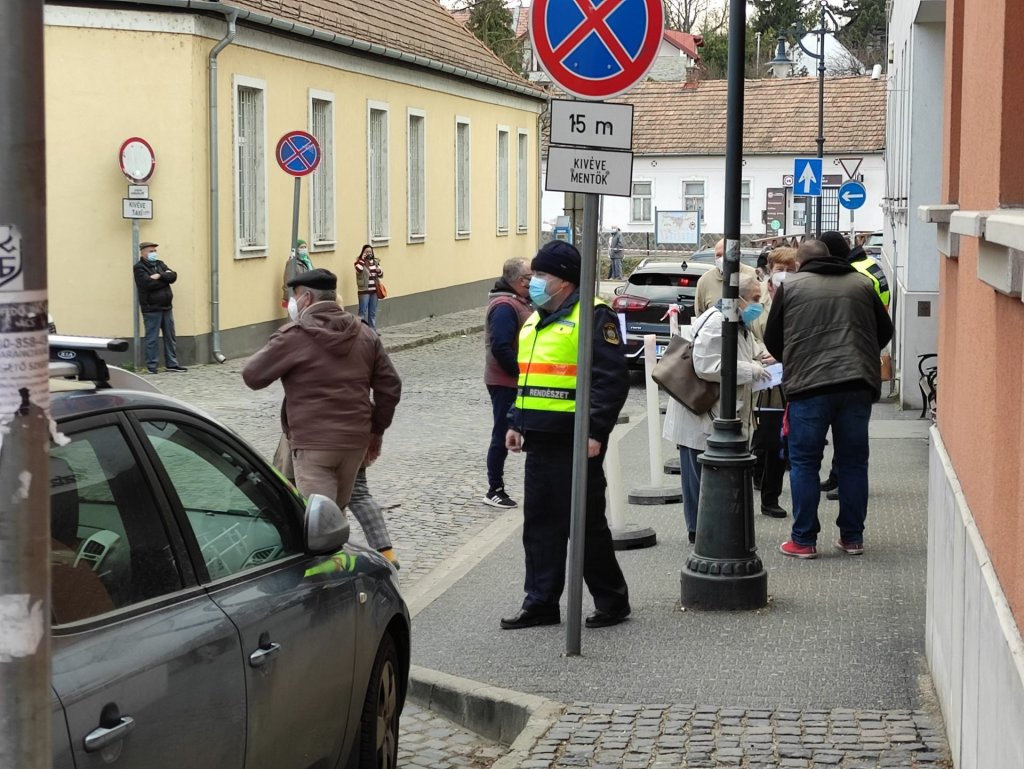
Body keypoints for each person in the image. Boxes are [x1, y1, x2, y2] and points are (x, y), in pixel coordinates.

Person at [501, 241, 631, 630]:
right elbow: (527, 378)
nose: (534, 282)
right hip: (540, 438)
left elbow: (610, 381)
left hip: (576, 441)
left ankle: (612, 602)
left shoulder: (594, 317)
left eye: (542, 275)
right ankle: (540, 602)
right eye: (533, 275)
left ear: (565, 281)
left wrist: (595, 431)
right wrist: (515, 421)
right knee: (540, 525)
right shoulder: (536, 318)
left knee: (585, 526)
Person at [764, 240, 893, 559]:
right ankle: (852, 538)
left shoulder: (790, 287)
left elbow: (772, 338)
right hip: (856, 384)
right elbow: (885, 331)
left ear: (801, 263)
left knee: (804, 463)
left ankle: (803, 540)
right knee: (853, 462)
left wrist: (794, 359)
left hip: (809, 387)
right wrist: (861, 353)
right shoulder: (862, 284)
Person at [242, 268, 401, 516]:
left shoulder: (294, 336)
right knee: (337, 514)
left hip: (313, 442)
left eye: (295, 296)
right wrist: (376, 430)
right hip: (355, 441)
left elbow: (252, 376)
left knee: (322, 523)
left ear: (306, 299)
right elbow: (390, 386)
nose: (293, 303)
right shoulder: (365, 333)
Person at [663, 273, 769, 543]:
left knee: (709, 477)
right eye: (755, 299)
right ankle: (701, 535)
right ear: (739, 298)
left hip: (714, 413)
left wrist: (761, 355)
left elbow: (744, 348)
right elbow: (707, 366)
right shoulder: (717, 322)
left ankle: (711, 531)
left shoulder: (734, 319)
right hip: (702, 414)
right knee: (700, 479)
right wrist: (752, 369)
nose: (758, 305)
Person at [817, 231, 892, 499]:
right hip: (864, 352)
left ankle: (843, 482)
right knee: (850, 432)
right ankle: (838, 477)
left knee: (848, 435)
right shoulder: (870, 266)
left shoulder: (855, 273)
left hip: (853, 356)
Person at [750, 247, 799, 518]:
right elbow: (745, 330)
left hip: (784, 377)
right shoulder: (755, 294)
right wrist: (761, 352)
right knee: (757, 439)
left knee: (777, 440)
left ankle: (771, 497)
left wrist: (781, 354)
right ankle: (756, 476)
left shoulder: (800, 294)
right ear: (770, 270)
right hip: (756, 372)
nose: (785, 274)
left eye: (791, 269)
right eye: (781, 269)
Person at [483, 257, 534, 508]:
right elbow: (501, 346)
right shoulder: (504, 306)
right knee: (502, 432)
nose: (532, 282)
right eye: (528, 278)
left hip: (519, 380)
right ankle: (494, 488)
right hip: (506, 381)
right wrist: (520, 373)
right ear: (516, 280)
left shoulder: (521, 301)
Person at [133, 241, 187, 374]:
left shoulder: (160, 264)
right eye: (151, 251)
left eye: (155, 251)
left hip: (166, 306)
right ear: (143, 252)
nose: (154, 253)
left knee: (170, 336)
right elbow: (147, 284)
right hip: (151, 308)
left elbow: (173, 276)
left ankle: (172, 364)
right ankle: (152, 366)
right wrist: (164, 278)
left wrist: (160, 276)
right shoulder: (139, 267)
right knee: (152, 338)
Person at [694, 239, 758, 316]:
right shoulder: (705, 281)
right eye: (718, 255)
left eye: (726, 254)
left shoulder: (753, 275)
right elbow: (700, 315)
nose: (722, 259)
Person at [354, 244, 383, 330]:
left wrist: (379, 271)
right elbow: (358, 270)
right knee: (362, 311)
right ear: (363, 252)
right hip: (364, 291)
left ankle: (372, 331)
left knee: (372, 312)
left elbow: (381, 275)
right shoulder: (359, 262)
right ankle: (360, 330)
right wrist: (362, 259)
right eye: (366, 252)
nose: (368, 253)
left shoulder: (375, 262)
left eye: (370, 251)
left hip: (374, 291)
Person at [281, 238, 313, 308]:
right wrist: (287, 297)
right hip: (298, 295)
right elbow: (288, 281)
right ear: (296, 249)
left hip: (309, 294)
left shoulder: (307, 261)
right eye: (301, 247)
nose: (304, 249)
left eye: (305, 247)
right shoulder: (292, 262)